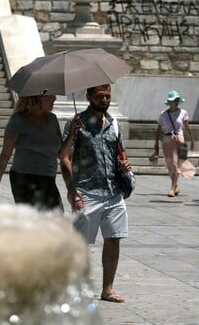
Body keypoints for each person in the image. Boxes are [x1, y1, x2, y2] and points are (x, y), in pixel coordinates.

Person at [60, 84, 131, 304]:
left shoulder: (114, 123)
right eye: (100, 96)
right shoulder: (76, 124)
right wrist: (71, 187)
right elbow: (64, 158)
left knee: (114, 238)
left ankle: (107, 289)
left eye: (108, 96)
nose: (104, 100)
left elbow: (120, 152)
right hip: (87, 191)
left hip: (113, 191)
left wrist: (125, 163)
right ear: (88, 96)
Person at [0, 91, 77, 211]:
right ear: (39, 97)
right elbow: (5, 154)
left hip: (49, 178)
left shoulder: (53, 119)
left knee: (56, 217)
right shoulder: (18, 120)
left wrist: (71, 134)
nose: (55, 98)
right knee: (33, 220)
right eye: (50, 95)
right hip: (24, 178)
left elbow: (61, 154)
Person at [150, 90, 196, 197]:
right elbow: (158, 129)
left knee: (175, 164)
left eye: (176, 100)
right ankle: (175, 185)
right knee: (170, 164)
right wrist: (156, 143)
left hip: (179, 139)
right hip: (167, 139)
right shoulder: (163, 114)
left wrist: (192, 140)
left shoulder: (183, 112)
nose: (174, 102)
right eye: (172, 100)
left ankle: (172, 187)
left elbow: (187, 127)